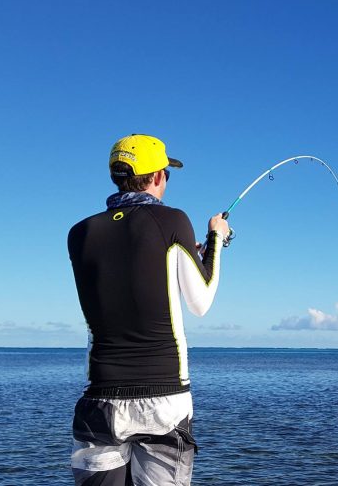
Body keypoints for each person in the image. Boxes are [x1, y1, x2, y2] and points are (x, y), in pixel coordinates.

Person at [67, 134, 230, 486]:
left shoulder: (79, 233)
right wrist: (215, 240)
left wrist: (181, 253)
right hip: (163, 399)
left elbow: (127, 271)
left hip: (101, 398)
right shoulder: (172, 220)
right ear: (157, 177)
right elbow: (199, 302)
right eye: (166, 173)